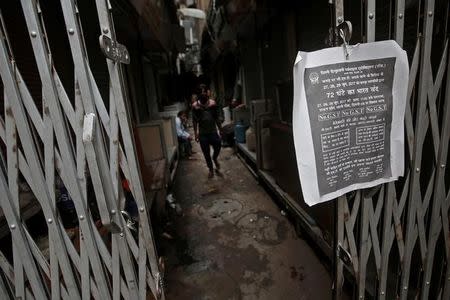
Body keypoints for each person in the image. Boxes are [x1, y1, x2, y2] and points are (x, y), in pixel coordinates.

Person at [193, 88, 222, 178]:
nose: (203, 93)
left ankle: (215, 158)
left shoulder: (212, 104)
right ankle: (210, 169)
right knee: (206, 153)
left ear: (207, 93)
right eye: (201, 92)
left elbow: (216, 117)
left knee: (218, 145)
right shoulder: (195, 106)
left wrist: (220, 129)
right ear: (198, 95)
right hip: (203, 134)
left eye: (204, 92)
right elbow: (194, 121)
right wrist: (195, 133)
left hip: (213, 131)